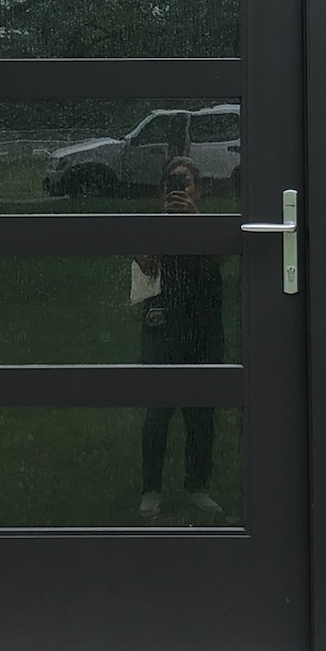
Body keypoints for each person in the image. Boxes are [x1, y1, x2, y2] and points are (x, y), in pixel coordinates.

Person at [134, 158, 226, 521]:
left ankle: (198, 486)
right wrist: (163, 225)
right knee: (158, 411)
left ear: (197, 190)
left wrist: (194, 219)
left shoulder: (208, 226)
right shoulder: (151, 226)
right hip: (163, 325)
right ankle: (151, 490)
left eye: (185, 183)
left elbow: (221, 258)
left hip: (202, 327)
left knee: (201, 411)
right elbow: (144, 266)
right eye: (171, 183)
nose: (178, 190)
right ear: (161, 191)